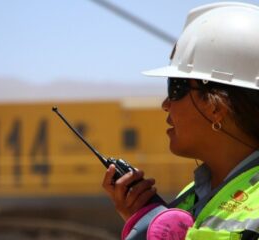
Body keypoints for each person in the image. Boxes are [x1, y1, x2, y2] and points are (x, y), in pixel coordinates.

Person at [102, 2, 259, 240]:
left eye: (176, 88)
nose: (165, 104)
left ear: (217, 106)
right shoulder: (192, 194)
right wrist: (144, 220)